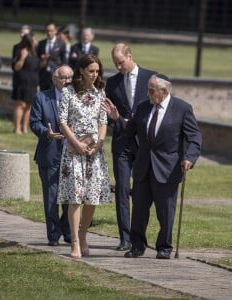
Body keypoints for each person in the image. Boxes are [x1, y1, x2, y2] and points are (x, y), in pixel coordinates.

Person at [103, 73, 202, 259]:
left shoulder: (182, 109)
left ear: (164, 91)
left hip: (167, 169)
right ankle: (137, 245)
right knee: (139, 210)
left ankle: (164, 247)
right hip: (143, 167)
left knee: (165, 212)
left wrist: (189, 157)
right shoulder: (143, 107)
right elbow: (128, 131)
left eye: (151, 90)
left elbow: (195, 137)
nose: (148, 94)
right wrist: (117, 119)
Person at [57, 54, 110, 259]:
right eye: (91, 71)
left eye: (97, 71)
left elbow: (103, 121)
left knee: (92, 197)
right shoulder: (68, 92)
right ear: (81, 71)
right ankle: (75, 243)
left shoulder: (100, 92)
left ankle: (84, 234)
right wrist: (76, 144)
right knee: (76, 197)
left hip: (94, 152)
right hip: (73, 151)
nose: (95, 75)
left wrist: (99, 144)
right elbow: (62, 121)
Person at [105, 42, 157, 251]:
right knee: (122, 190)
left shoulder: (151, 78)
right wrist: (116, 120)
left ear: (130, 55)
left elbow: (159, 109)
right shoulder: (112, 83)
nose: (118, 67)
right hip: (122, 143)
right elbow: (107, 114)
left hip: (144, 144)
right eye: (115, 64)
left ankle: (139, 237)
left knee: (143, 192)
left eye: (121, 62)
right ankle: (125, 237)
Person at [30, 65, 73, 246]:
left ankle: (68, 230)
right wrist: (46, 133)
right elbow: (34, 122)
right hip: (50, 154)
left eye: (70, 77)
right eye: (63, 77)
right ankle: (53, 235)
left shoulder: (77, 97)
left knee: (71, 196)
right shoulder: (42, 98)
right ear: (55, 79)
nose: (67, 81)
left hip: (72, 154)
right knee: (52, 196)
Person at [12, 34, 39, 134]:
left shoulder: (35, 53)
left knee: (29, 105)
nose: (35, 42)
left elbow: (37, 67)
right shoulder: (21, 51)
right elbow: (16, 67)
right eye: (33, 40)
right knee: (20, 104)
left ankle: (25, 127)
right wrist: (22, 57)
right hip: (22, 82)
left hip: (32, 82)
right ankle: (17, 128)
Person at [37, 22, 66, 90]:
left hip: (55, 76)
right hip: (43, 76)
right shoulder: (41, 43)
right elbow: (38, 59)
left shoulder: (61, 43)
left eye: (51, 31)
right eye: (47, 31)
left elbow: (64, 61)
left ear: (55, 31)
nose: (49, 33)